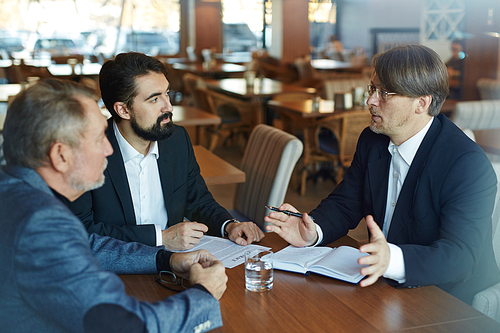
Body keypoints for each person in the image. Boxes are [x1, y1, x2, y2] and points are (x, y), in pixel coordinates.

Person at [265, 45, 500, 305]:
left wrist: (392, 261)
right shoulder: (372, 139)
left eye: (384, 93)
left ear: (422, 103)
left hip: (450, 301)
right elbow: (347, 201)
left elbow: (461, 256)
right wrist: (314, 231)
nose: (370, 101)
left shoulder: (466, 164)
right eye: (372, 89)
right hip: (384, 287)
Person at [0, 79, 227, 332]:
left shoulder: (14, 190)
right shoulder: (40, 223)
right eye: (99, 139)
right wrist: (204, 294)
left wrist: (165, 260)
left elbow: (89, 246)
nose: (109, 149)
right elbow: (124, 326)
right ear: (61, 155)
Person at [63, 52, 264, 251]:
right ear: (123, 110)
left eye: (167, 93)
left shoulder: (176, 140)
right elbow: (83, 230)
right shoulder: (86, 150)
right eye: (154, 99)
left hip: (172, 265)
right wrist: (160, 237)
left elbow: (198, 200)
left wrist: (229, 225)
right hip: (113, 270)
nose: (168, 107)